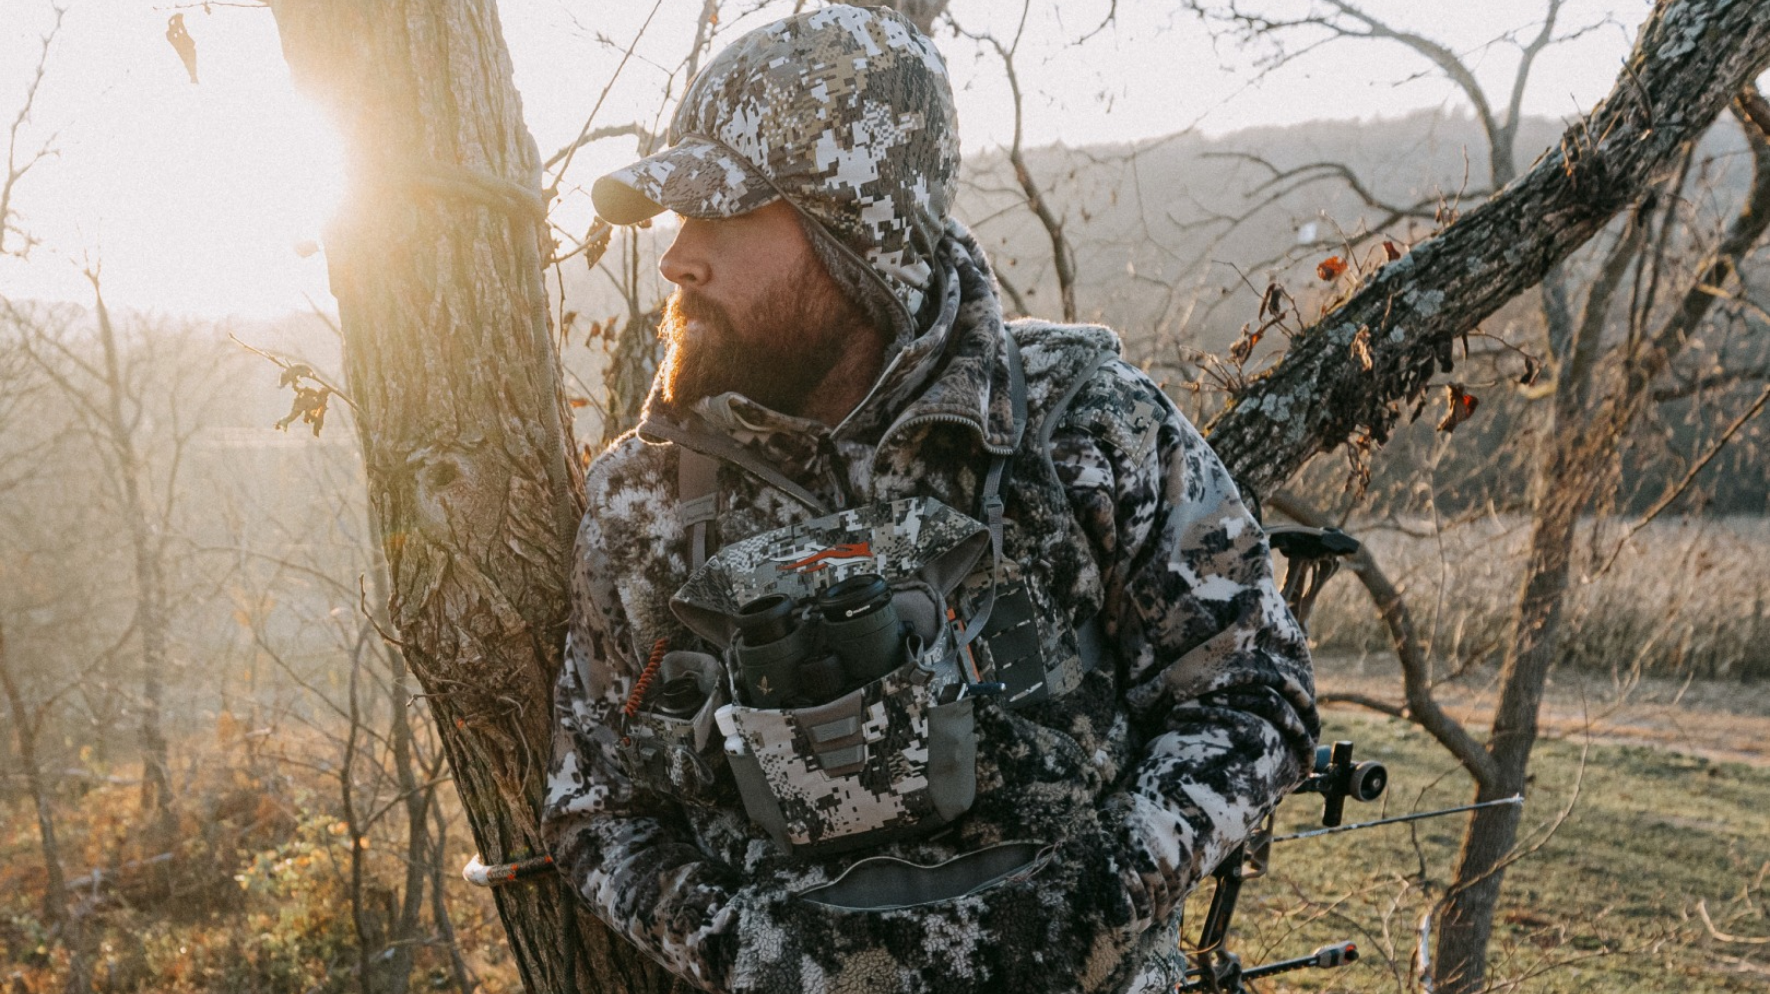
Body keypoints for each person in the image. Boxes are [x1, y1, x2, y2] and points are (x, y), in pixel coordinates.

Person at [542, 7, 1318, 994]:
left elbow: (1254, 691)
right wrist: (764, 959)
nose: (677, 255)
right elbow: (597, 807)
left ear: (860, 232)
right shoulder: (643, 502)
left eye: (723, 213)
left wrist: (1099, 897)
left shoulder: (1086, 427)